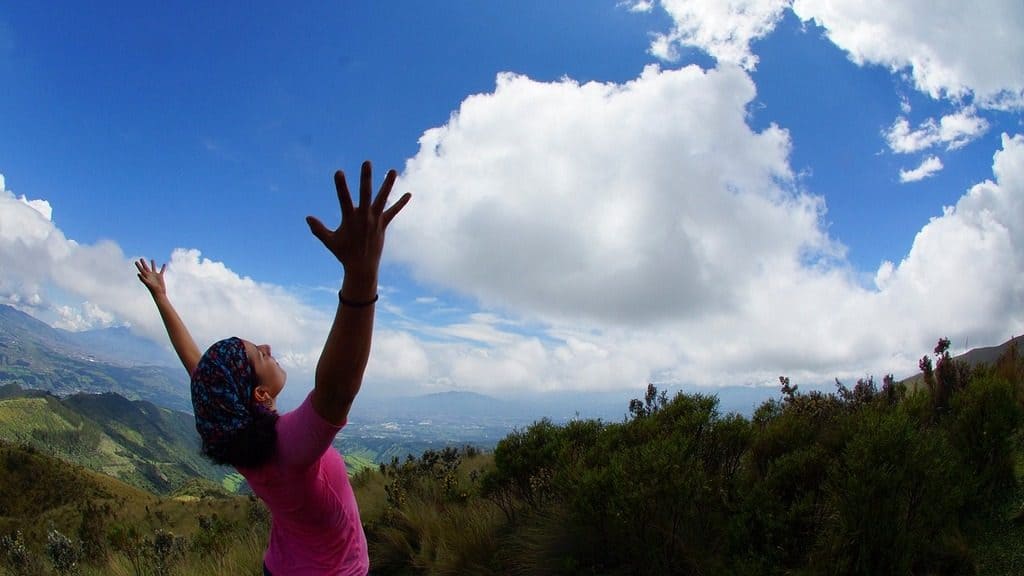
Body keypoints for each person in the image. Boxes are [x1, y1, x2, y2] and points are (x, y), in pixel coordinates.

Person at [136, 161, 411, 575]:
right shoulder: (290, 446)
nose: (267, 346)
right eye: (259, 355)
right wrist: (361, 274)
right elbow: (337, 389)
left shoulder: (239, 437)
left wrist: (162, 299)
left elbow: (201, 373)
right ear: (259, 395)